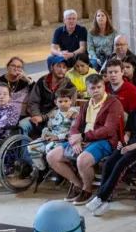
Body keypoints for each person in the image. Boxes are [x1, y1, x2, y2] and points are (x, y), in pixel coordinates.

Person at [47, 73, 123, 205]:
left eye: (99, 87)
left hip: (105, 141)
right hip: (84, 139)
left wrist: (82, 136)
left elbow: (108, 130)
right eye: (92, 88)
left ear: (104, 87)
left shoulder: (113, 103)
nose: (96, 90)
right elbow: (75, 126)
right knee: (52, 156)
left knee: (82, 160)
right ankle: (78, 184)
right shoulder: (86, 105)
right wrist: (73, 139)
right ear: (87, 90)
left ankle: (87, 190)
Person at [87, 86, 136, 216]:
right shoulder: (133, 114)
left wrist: (131, 147)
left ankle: (101, 198)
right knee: (109, 163)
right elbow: (128, 133)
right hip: (129, 145)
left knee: (120, 165)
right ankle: (104, 197)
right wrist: (123, 142)